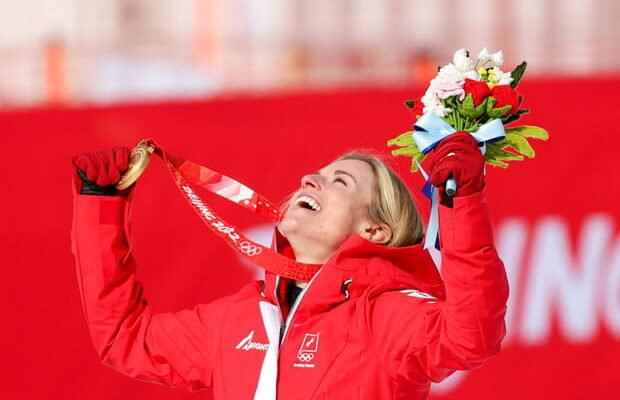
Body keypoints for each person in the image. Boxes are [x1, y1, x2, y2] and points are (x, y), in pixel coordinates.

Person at [71, 132, 508, 399]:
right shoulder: (240, 319)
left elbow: (470, 336)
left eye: (340, 181)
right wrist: (100, 207)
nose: (310, 179)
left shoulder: (383, 315)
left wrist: (461, 201)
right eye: (315, 173)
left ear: (375, 231)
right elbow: (123, 340)